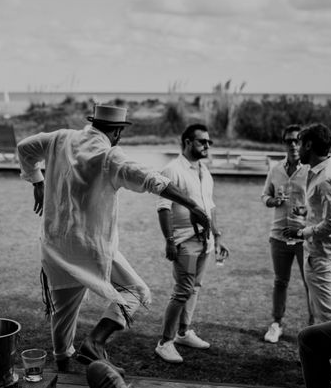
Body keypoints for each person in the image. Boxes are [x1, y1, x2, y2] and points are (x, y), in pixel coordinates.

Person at [17, 104, 210, 372]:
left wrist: (37, 181)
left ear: (94, 123)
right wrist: (194, 206)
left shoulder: (60, 138)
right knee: (135, 291)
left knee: (63, 312)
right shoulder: (110, 156)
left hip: (55, 245)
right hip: (91, 247)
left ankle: (62, 366)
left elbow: (24, 147)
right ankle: (94, 342)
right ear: (118, 131)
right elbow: (154, 181)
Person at [154, 124, 228, 364]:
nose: (207, 146)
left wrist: (217, 237)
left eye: (208, 142)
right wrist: (169, 241)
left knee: (195, 287)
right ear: (187, 142)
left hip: (205, 240)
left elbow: (211, 205)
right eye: (201, 142)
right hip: (184, 240)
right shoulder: (172, 169)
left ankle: (183, 333)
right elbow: (163, 208)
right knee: (183, 290)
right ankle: (165, 342)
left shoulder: (205, 170)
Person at [282, 123, 331, 323]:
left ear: (309, 145)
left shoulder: (327, 179)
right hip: (323, 254)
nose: (296, 147)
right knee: (321, 314)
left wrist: (301, 233)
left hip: (324, 257)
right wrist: (307, 212)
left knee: (330, 319)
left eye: (300, 142)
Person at [261, 124, 312, 344]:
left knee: (310, 283)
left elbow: (317, 203)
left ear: (303, 144)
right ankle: (276, 324)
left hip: (303, 237)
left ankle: (315, 327)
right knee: (280, 281)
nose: (293, 144)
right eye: (289, 140)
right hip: (279, 236)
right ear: (284, 143)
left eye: (297, 140)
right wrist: (272, 201)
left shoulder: (311, 170)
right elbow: (265, 196)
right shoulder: (275, 169)